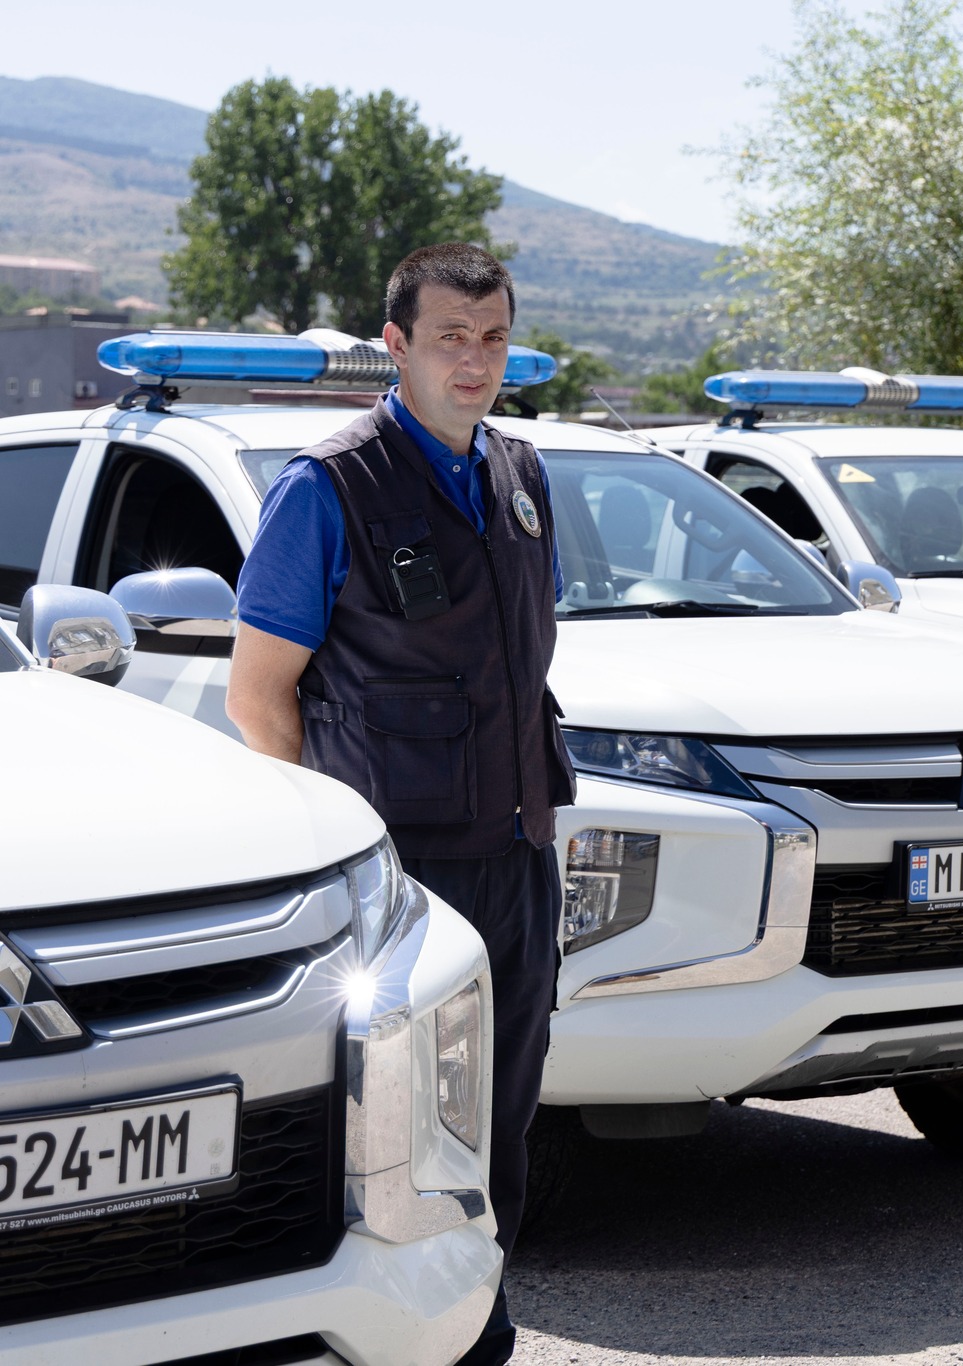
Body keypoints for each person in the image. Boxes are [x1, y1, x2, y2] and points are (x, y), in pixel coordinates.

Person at [224, 243, 573, 1366]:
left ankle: (477, 1335)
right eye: (449, 338)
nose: (475, 362)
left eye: (493, 338)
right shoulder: (326, 488)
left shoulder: (520, 473)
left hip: (517, 855)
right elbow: (258, 695)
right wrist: (339, 852)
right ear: (396, 345)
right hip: (402, 881)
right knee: (387, 1143)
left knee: (500, 1125)